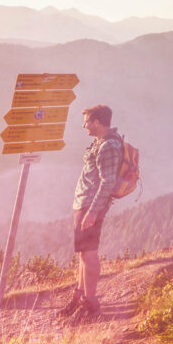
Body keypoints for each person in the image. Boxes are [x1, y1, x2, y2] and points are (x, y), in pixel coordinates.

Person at [63, 104, 124, 320]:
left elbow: (107, 182)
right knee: (83, 252)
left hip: (90, 205)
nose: (84, 125)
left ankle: (91, 303)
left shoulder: (108, 146)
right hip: (84, 203)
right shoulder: (100, 142)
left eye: (87, 121)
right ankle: (80, 296)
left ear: (97, 122)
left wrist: (92, 213)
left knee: (89, 254)